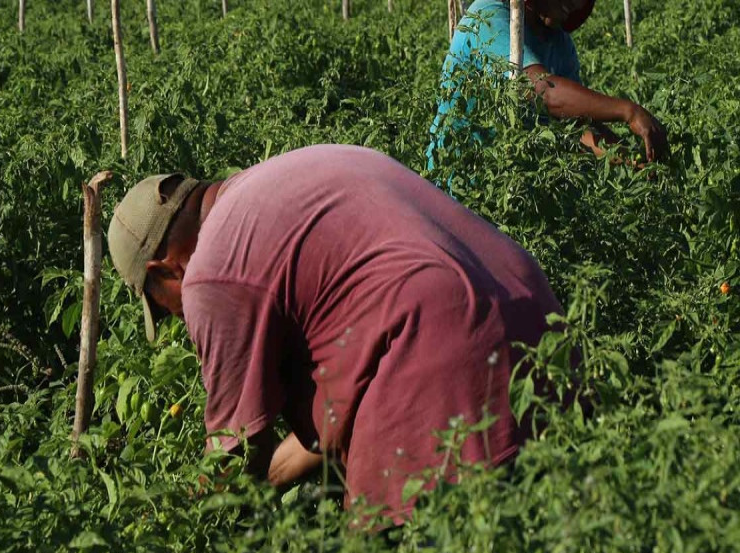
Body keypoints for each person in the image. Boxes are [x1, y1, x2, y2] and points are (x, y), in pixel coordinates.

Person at [108, 145, 565, 524]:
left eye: (163, 308)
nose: (176, 318)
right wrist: (273, 474)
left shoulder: (210, 273)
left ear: (164, 271)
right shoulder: (287, 176)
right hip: (543, 332)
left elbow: (236, 453)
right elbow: (338, 409)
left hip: (446, 373)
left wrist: (177, 526)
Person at [427, 0, 669, 171]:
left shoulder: (559, 43)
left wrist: (631, 161)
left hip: (516, 186)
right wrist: (628, 111)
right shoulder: (488, 17)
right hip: (460, 180)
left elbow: (576, 126)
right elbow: (544, 92)